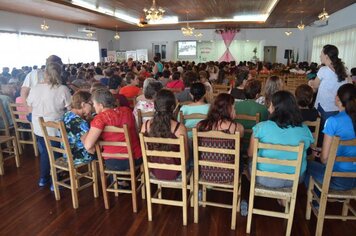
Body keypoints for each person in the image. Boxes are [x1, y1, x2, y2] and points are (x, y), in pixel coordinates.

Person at [248, 90, 314, 189]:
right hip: (294, 180)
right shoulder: (304, 129)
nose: (269, 109)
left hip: (264, 177)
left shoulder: (260, 128)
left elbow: (250, 153)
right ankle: (283, 197)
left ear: (275, 108)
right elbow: (309, 149)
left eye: (270, 105)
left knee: (249, 163)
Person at [27, 61, 71, 188]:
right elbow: (69, 109)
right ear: (60, 74)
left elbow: (30, 107)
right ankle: (55, 182)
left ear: (45, 73)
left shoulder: (35, 88)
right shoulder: (62, 89)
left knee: (46, 152)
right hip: (55, 128)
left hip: (38, 127)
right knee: (55, 153)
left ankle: (44, 178)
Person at [306, 83, 356, 190]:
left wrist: (324, 152)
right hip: (354, 179)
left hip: (336, 179)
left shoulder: (333, 121)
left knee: (305, 164)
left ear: (338, 98)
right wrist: (325, 150)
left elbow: (324, 159)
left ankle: (317, 201)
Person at [84, 88, 142, 172]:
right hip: (136, 157)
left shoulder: (100, 119)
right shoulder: (127, 111)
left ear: (101, 105)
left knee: (95, 151)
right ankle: (123, 182)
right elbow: (136, 132)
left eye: (94, 104)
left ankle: (116, 183)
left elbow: (88, 145)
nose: (93, 106)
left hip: (114, 161)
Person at [140, 89, 189, 180]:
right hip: (176, 172)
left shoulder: (145, 126)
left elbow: (146, 154)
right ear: (173, 107)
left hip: (154, 171)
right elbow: (185, 156)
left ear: (155, 106)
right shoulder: (179, 128)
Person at [197, 93, 244, 183]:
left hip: (206, 173)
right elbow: (239, 150)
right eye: (233, 107)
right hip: (229, 174)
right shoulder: (238, 128)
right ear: (228, 109)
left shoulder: (200, 125)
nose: (235, 110)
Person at [309, 45, 348, 124]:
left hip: (324, 108)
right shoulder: (344, 70)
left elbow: (315, 85)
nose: (320, 56)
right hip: (338, 107)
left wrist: (310, 82)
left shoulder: (324, 70)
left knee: (322, 132)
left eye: (321, 53)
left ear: (326, 56)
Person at [62, 91, 95, 165]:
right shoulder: (80, 122)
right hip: (77, 157)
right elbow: (89, 148)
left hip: (67, 154)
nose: (93, 107)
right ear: (83, 104)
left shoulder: (67, 114)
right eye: (91, 104)